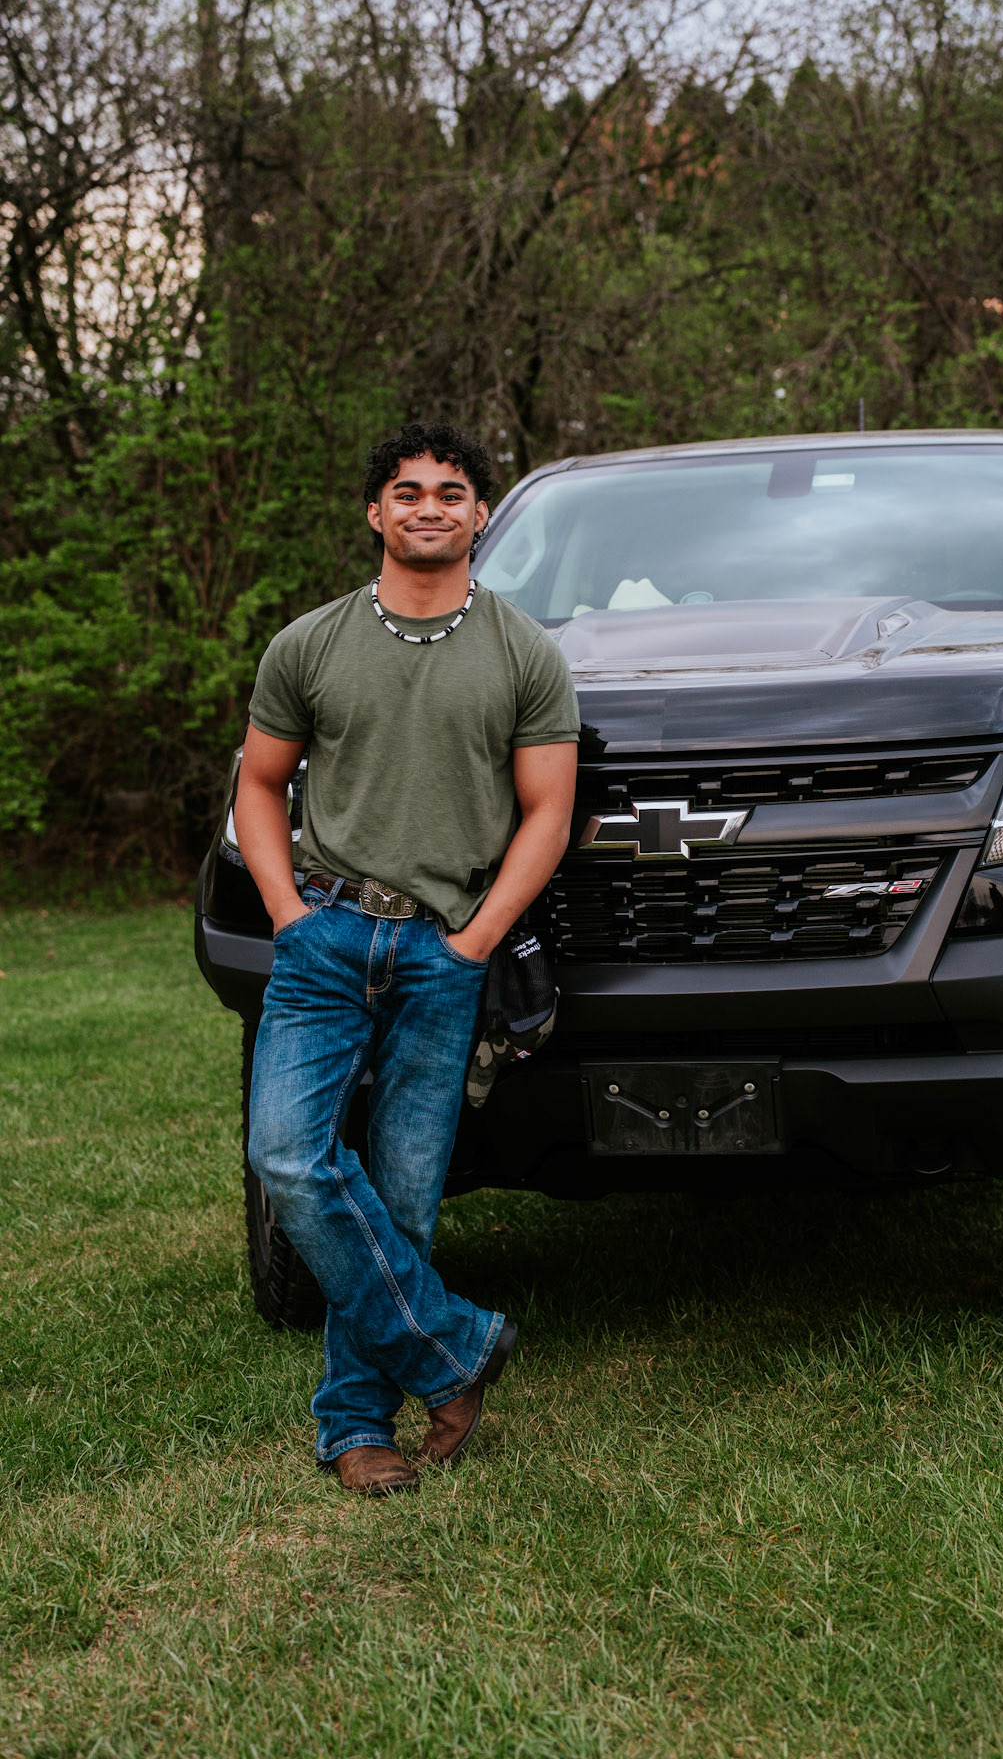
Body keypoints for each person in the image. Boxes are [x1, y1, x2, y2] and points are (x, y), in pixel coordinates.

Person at [235, 421, 579, 1496]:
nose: (429, 506)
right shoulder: (308, 645)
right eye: (408, 490)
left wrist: (475, 940)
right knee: (288, 1156)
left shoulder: (524, 652)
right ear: (375, 511)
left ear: (481, 515)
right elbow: (259, 785)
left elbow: (548, 812)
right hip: (326, 937)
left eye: (451, 491)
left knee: (401, 1198)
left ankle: (355, 1425)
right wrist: (288, 915)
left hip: (445, 949)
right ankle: (455, 1347)